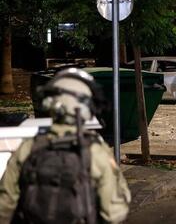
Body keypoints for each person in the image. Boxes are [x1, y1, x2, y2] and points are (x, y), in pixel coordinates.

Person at [0, 68, 131, 223]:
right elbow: (114, 213)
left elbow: (5, 204)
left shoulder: (28, 147)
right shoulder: (96, 151)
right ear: (87, 108)